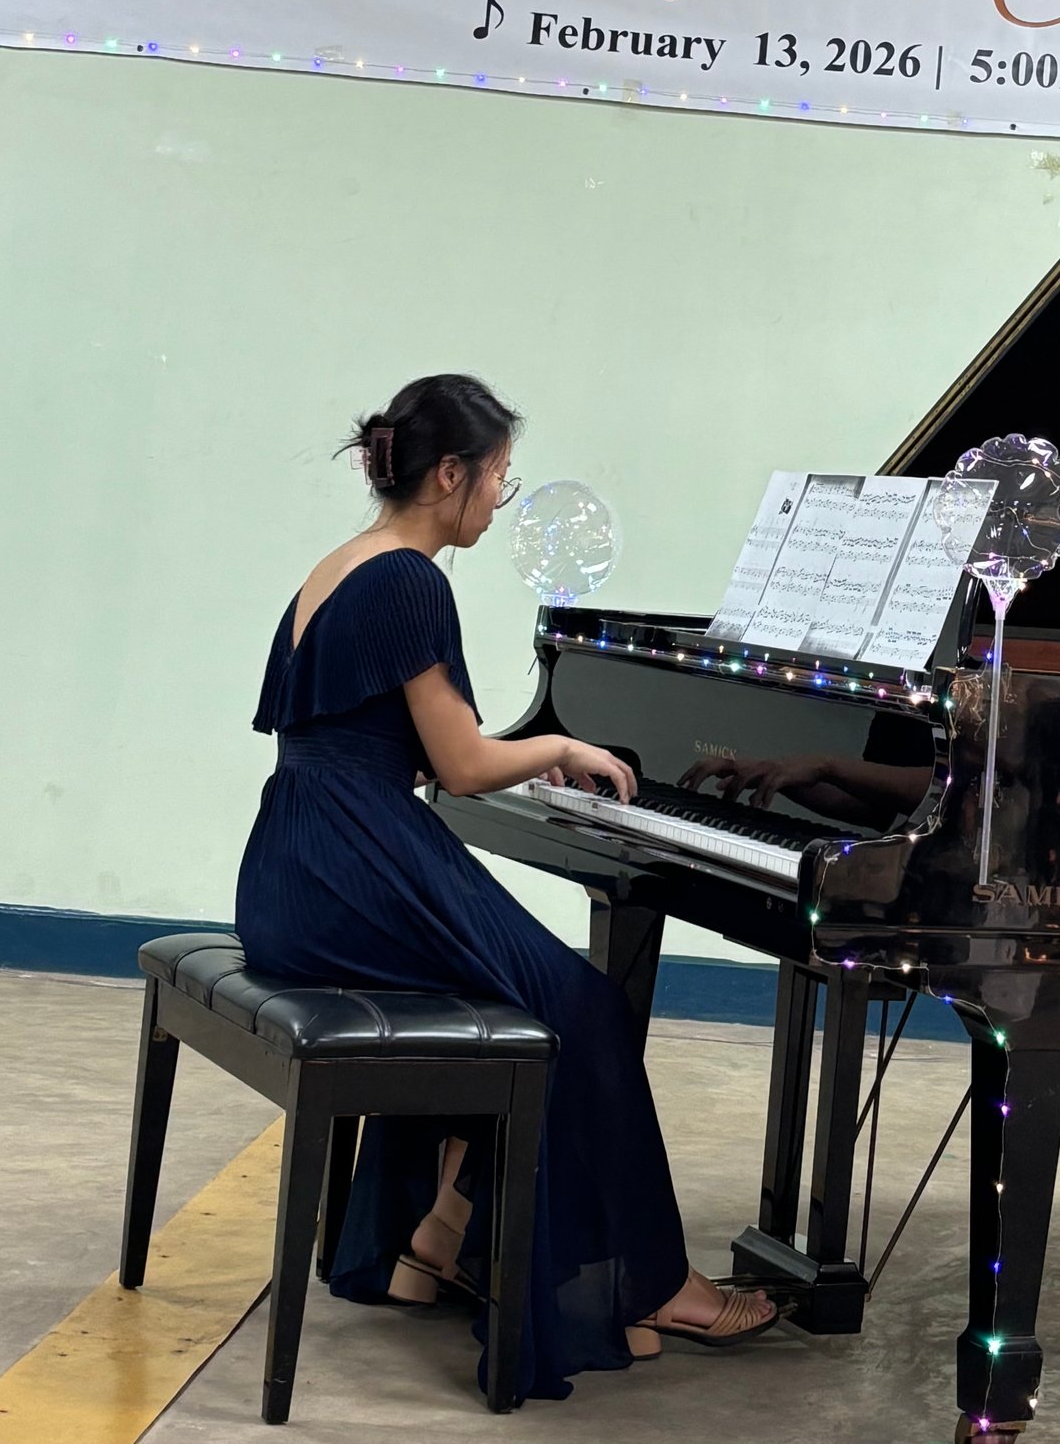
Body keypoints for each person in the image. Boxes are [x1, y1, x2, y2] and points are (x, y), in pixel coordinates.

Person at [235, 373, 776, 1405]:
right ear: (450, 474)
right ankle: (655, 1284)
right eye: (498, 478)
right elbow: (465, 765)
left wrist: (524, 759)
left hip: (295, 867)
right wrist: (562, 748)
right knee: (584, 1009)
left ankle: (436, 1234)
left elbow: (393, 747)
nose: (498, 498)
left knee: (494, 994)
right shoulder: (411, 581)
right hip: (357, 861)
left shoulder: (342, 564)